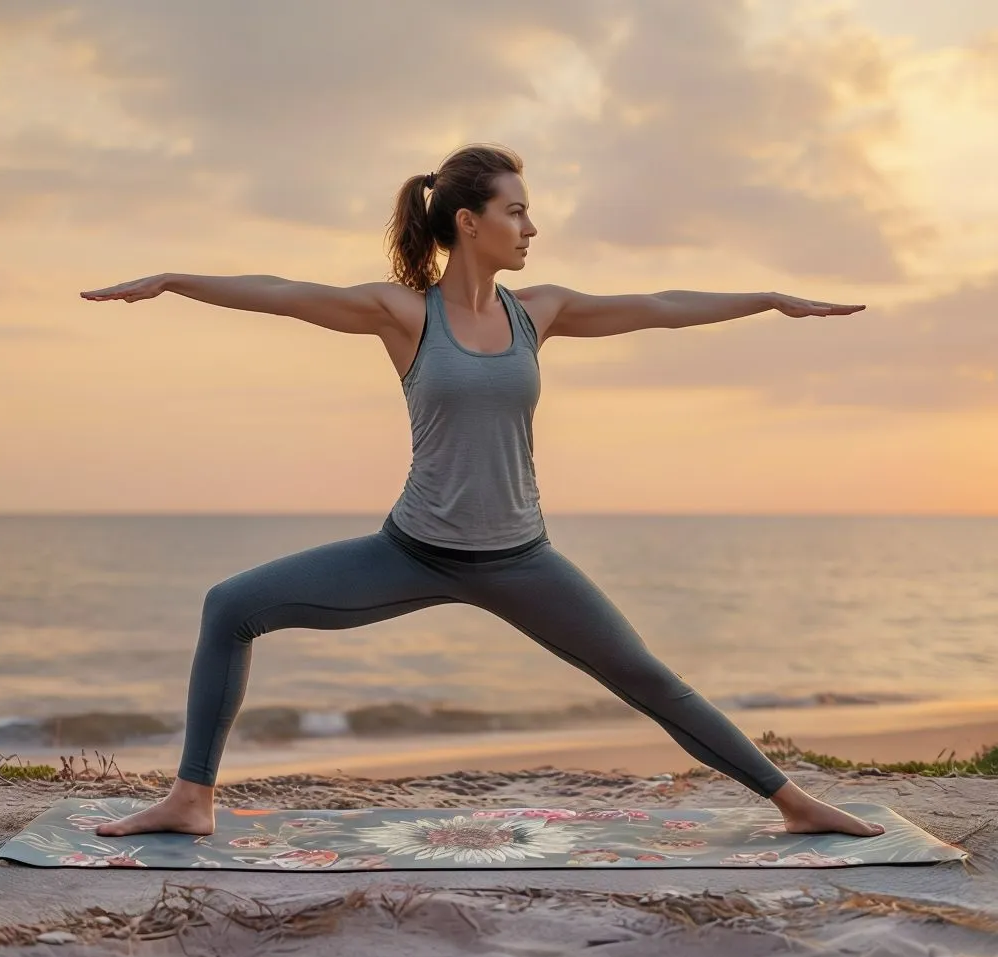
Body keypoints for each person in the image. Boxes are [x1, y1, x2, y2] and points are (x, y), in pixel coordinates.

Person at [80, 142, 883, 840]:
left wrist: (769, 300)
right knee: (231, 606)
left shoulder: (542, 311)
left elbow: (660, 307)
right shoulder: (401, 314)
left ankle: (794, 802)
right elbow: (284, 292)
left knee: (648, 679)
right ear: (470, 221)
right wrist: (177, 281)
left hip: (521, 560)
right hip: (412, 553)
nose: (531, 229)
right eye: (518, 213)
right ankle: (191, 799)